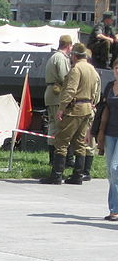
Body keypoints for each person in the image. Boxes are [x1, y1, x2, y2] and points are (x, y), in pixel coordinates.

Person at [40, 43, 101, 185]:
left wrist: (62, 107)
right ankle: (78, 175)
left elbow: (70, 90)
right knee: (79, 143)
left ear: (74, 55)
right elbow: (95, 90)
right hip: (87, 109)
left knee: (61, 141)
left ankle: (56, 175)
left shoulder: (76, 69)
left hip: (74, 110)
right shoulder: (92, 69)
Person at [44, 35, 72, 166]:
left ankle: (53, 159)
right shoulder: (61, 58)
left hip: (51, 93)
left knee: (52, 126)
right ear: (69, 46)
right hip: (57, 95)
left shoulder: (54, 56)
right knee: (58, 126)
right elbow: (64, 76)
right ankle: (57, 159)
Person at [96, 61, 118, 221]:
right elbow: (103, 109)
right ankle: (113, 207)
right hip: (109, 132)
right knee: (110, 173)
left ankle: (115, 209)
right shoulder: (110, 85)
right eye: (117, 68)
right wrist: (94, 131)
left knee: (115, 168)